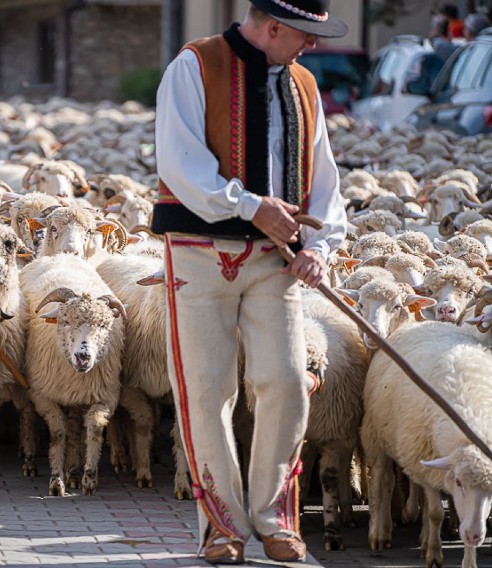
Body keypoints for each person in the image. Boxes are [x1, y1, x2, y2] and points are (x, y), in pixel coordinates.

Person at [151, 0, 347, 563]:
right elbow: (180, 162)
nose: (311, 46)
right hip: (197, 251)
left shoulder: (305, 84)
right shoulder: (194, 65)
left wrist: (320, 247)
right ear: (273, 26)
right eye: (305, 34)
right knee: (207, 389)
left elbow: (323, 175)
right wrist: (249, 206)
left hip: (274, 259)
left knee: (286, 380)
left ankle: (275, 517)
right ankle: (221, 526)